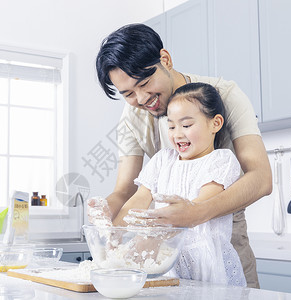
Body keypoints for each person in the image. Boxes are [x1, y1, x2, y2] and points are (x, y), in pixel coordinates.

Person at [91, 23, 272, 288]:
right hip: (166, 258)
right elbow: (126, 192)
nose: (142, 99)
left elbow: (261, 178)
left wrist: (196, 214)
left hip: (222, 245)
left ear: (165, 59)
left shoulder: (223, 96)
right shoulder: (133, 118)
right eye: (128, 93)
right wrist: (108, 223)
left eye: (145, 83)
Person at [113, 82, 246, 286]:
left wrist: (152, 237)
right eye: (172, 126)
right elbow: (139, 199)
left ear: (215, 124)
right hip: (167, 265)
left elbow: (200, 205)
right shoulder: (162, 160)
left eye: (186, 125)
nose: (177, 134)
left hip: (208, 268)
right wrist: (114, 232)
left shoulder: (221, 160)